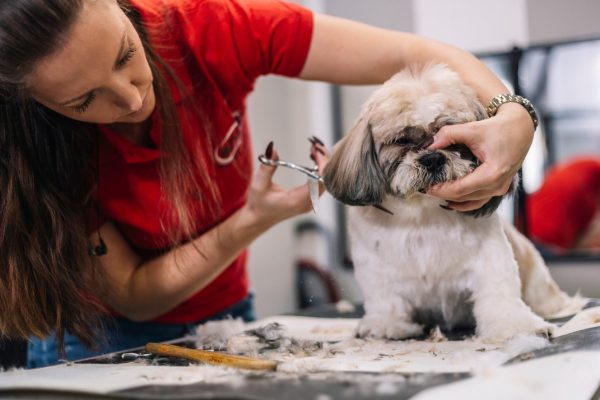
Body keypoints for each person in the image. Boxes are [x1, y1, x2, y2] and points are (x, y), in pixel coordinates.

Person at [0, 0, 537, 368]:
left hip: (228, 315)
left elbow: (417, 54)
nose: (131, 97)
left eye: (124, 55)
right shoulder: (30, 143)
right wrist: (252, 221)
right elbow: (136, 296)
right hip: (96, 341)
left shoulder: (207, 27)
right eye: (84, 100)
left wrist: (514, 118)